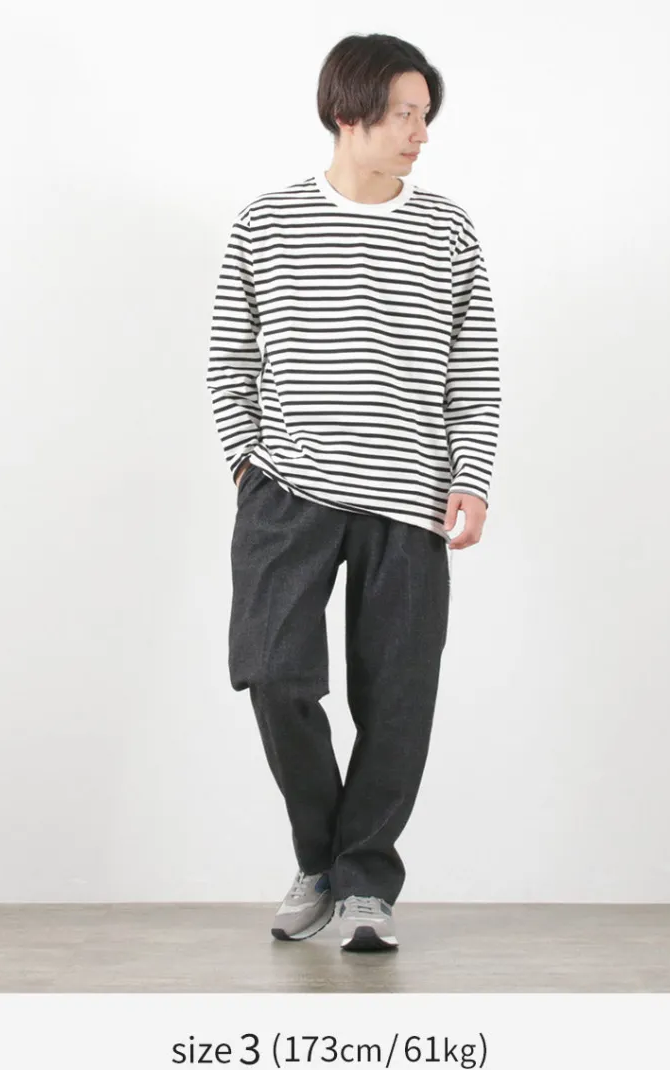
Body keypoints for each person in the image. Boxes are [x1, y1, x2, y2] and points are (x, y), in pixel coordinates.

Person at [206, 33, 500, 952]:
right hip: (286, 492)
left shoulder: (447, 229)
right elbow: (230, 357)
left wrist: (472, 476)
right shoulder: (268, 222)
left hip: (410, 502)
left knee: (398, 697)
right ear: (348, 111)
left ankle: (365, 884)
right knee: (273, 674)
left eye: (426, 115)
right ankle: (323, 861)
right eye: (405, 113)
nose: (420, 133)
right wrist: (248, 464)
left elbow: (473, 370)